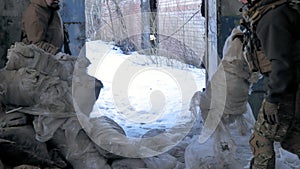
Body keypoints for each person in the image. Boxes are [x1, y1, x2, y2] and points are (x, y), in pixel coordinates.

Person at [239, 0, 300, 168]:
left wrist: (273, 100)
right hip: (289, 85)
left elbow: (282, 65)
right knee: (292, 138)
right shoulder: (273, 11)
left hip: (286, 87)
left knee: (261, 141)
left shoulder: (272, 18)